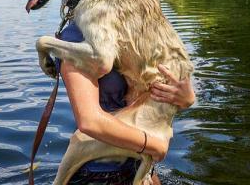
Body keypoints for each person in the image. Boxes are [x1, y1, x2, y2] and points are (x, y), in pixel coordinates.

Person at [55, 22, 195, 184]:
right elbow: (90, 121)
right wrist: (154, 145)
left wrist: (186, 99)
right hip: (98, 172)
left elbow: (160, 87)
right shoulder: (76, 37)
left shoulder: (132, 28)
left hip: (139, 162)